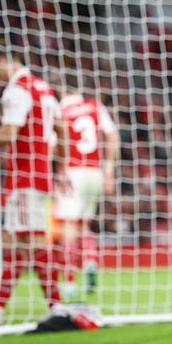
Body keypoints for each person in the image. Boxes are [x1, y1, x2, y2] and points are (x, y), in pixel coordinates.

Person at [0, 43, 69, 326]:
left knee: (29, 243)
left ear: (4, 61)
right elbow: (61, 129)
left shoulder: (16, 90)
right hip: (40, 174)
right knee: (17, 243)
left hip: (24, 177)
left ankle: (56, 306)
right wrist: (62, 168)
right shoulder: (42, 88)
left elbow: (8, 133)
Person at [53, 79, 119, 298]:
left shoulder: (60, 110)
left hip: (72, 171)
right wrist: (108, 169)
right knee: (84, 224)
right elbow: (112, 135)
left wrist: (60, 169)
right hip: (95, 172)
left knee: (68, 227)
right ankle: (90, 259)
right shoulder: (94, 106)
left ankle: (69, 282)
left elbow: (55, 144)